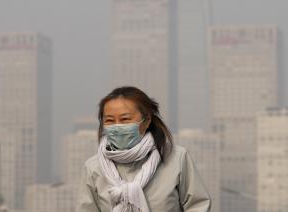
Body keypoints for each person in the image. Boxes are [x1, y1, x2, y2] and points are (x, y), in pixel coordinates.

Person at [76, 86, 211, 212]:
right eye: (110, 120)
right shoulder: (93, 167)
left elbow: (198, 206)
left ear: (146, 121)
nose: (117, 126)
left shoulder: (176, 158)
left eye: (125, 119)